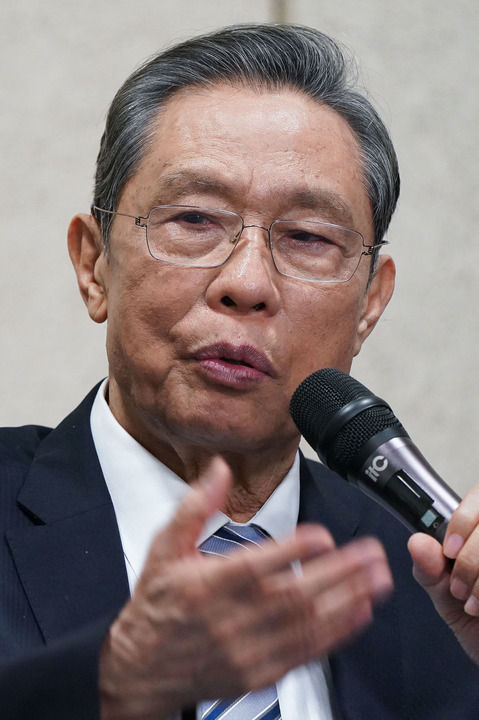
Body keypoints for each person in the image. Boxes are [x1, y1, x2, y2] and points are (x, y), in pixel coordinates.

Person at [1, 22, 479, 720]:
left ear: (369, 305)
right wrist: (108, 685)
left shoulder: (435, 590)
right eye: (195, 219)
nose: (247, 283)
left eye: (308, 237)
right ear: (94, 263)